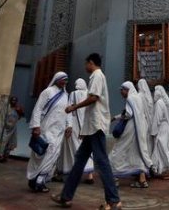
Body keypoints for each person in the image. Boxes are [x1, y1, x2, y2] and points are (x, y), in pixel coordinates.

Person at [52, 54, 122, 210]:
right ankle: (66, 197)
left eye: (86, 63)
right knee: (79, 162)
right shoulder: (96, 77)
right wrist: (84, 129)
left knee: (102, 162)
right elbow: (92, 106)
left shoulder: (97, 75)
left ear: (91, 63)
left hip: (96, 126)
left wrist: (74, 107)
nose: (85, 67)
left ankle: (114, 200)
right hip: (91, 127)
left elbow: (93, 98)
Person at [27, 72, 70, 193]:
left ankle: (40, 181)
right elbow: (38, 108)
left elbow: (68, 112)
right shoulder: (48, 92)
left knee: (53, 154)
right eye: (63, 79)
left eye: (66, 80)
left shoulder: (66, 95)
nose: (65, 82)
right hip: (46, 128)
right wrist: (36, 126)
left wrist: (69, 126)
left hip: (59, 131)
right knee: (41, 154)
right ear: (56, 80)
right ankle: (34, 178)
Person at [109, 81, 154, 188]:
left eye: (122, 90)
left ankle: (114, 177)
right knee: (137, 153)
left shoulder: (130, 99)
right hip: (140, 130)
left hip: (130, 129)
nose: (121, 93)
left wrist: (119, 118)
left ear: (127, 90)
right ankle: (142, 180)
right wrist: (116, 117)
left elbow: (129, 114)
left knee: (118, 150)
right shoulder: (138, 98)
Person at [55, 78, 95, 184]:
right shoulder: (89, 94)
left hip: (75, 126)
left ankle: (68, 173)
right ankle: (89, 175)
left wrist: (69, 125)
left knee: (71, 149)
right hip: (86, 127)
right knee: (86, 150)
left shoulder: (73, 94)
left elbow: (70, 110)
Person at [150, 85, 169, 179]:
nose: (154, 93)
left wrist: (153, 132)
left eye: (155, 91)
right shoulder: (162, 102)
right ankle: (163, 169)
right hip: (164, 128)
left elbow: (157, 119)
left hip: (162, 128)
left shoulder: (159, 103)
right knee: (161, 148)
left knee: (163, 148)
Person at [0, 96, 24, 162]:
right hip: (6, 128)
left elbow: (21, 115)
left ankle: (5, 157)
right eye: (12, 100)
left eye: (15, 100)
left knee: (10, 143)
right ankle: (0, 155)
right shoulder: (7, 108)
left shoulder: (18, 109)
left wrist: (19, 111)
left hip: (13, 129)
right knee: (3, 141)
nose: (13, 102)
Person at [137, 79, 155, 150]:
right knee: (148, 139)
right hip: (149, 121)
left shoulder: (139, 96)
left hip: (142, 120)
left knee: (143, 139)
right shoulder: (149, 97)